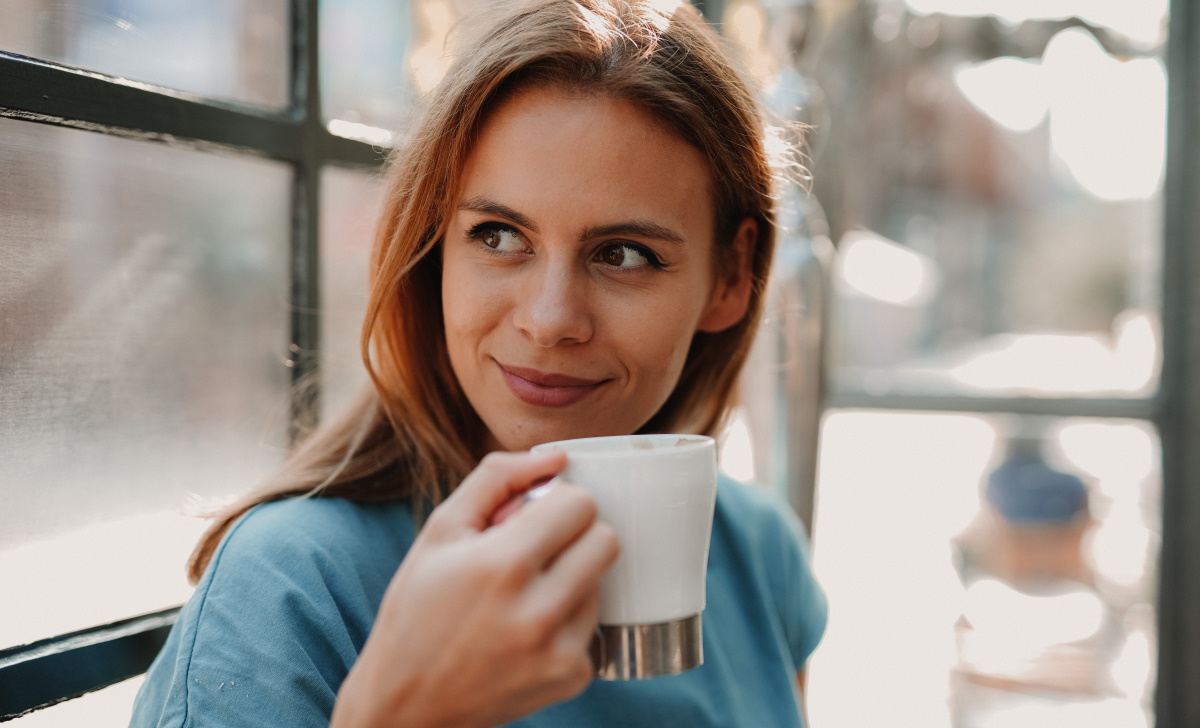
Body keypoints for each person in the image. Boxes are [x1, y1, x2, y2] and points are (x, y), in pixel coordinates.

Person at [130, 1, 826, 726]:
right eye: (497, 236)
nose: (550, 319)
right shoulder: (292, 588)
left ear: (731, 275)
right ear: (432, 248)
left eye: (623, 254)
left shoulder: (758, 555)